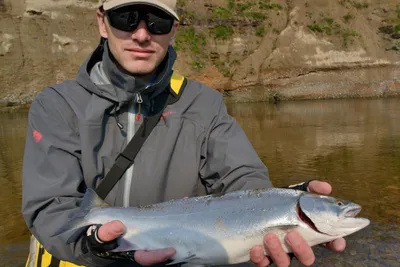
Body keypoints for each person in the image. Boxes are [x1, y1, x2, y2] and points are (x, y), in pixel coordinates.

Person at [21, 0, 346, 266]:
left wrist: (281, 205)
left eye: (158, 22)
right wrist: (95, 246)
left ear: (173, 31)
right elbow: (51, 209)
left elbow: (241, 177)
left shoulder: (203, 104)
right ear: (102, 23)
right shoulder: (57, 105)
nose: (142, 35)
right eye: (127, 18)